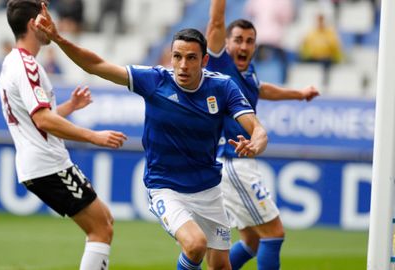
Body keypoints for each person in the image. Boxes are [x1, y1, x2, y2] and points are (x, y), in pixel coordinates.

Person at [35, 3, 268, 269]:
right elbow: (96, 65)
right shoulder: (155, 80)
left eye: (191, 58)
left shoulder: (223, 87)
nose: (182, 65)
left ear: (204, 60)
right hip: (166, 188)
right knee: (194, 245)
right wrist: (58, 38)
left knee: (220, 266)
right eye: (177, 56)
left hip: (209, 189)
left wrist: (255, 145)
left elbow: (257, 129)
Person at [0, 1, 127, 269]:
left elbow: (35, 117)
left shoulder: (13, 62)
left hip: (40, 162)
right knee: (101, 229)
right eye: (47, 20)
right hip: (47, 163)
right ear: (36, 24)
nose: (52, 26)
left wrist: (69, 107)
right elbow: (43, 120)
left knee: (105, 221)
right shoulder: (27, 67)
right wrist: (94, 136)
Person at [205, 0, 320, 269]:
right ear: (227, 43)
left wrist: (299, 94)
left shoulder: (248, 72)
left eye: (249, 41)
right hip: (233, 162)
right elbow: (217, 21)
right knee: (274, 233)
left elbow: (262, 89)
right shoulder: (221, 66)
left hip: (237, 163)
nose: (243, 46)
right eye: (238, 40)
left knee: (252, 242)